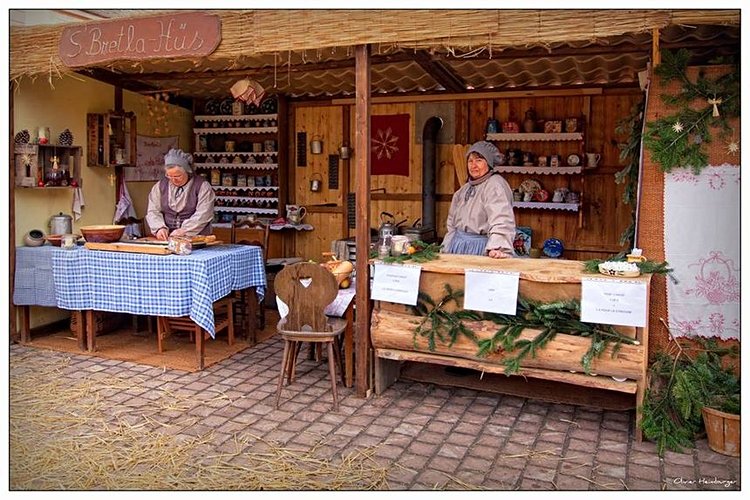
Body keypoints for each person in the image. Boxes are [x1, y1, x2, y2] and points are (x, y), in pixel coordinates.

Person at [441, 141, 516, 258]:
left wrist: (498, 248)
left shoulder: (494, 185)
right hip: (457, 248)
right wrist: (446, 246)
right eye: (470, 161)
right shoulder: (464, 189)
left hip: (480, 249)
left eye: (479, 160)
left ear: (489, 163)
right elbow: (452, 224)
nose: (473, 165)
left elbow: (502, 219)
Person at [146, 148, 215, 240]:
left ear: (187, 171)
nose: (173, 179)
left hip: (196, 239)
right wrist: (159, 228)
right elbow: (153, 211)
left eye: (177, 176)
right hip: (169, 240)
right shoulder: (160, 186)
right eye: (169, 176)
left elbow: (204, 213)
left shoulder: (202, 186)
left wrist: (185, 230)